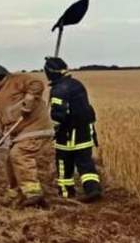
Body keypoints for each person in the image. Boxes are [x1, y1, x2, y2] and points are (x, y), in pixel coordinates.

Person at [0, 64, 54, 208]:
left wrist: (29, 98)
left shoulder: (17, 80)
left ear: (2, 77)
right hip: (18, 134)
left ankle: (33, 194)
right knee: (10, 160)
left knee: (19, 155)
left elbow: (37, 84)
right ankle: (16, 193)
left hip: (35, 127)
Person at [44, 57, 102, 202]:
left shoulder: (59, 90)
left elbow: (59, 116)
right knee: (85, 162)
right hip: (86, 131)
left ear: (50, 73)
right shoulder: (77, 84)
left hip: (68, 135)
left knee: (64, 163)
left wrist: (50, 119)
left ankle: (66, 194)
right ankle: (92, 189)